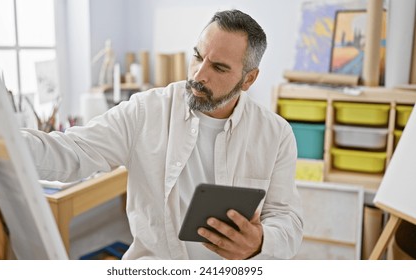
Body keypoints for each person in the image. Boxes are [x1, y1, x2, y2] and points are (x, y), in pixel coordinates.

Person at [22, 9, 303, 260]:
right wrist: (4, 142)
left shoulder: (275, 134)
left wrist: (260, 242)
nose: (199, 74)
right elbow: (73, 151)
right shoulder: (146, 111)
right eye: (197, 56)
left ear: (249, 79)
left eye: (218, 67)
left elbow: (287, 218)